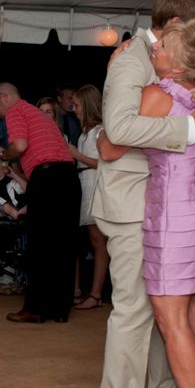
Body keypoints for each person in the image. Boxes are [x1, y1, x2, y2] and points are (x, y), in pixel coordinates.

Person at [90, 0, 195, 388]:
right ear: (175, 23)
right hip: (131, 200)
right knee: (136, 308)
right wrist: (189, 129)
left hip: (165, 202)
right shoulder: (132, 59)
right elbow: (118, 130)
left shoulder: (175, 58)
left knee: (169, 304)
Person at [0, 83, 80, 323]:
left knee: (40, 245)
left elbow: (19, 145)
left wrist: (4, 155)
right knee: (63, 245)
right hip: (69, 178)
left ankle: (35, 308)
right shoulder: (38, 115)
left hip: (48, 177)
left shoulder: (16, 110)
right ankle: (59, 310)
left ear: (4, 97)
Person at [69, 84, 110, 311]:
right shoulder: (85, 132)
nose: (73, 109)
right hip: (85, 183)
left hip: (95, 183)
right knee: (92, 241)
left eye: (76, 105)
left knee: (98, 242)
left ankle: (95, 294)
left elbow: (103, 163)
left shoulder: (99, 131)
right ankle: (89, 291)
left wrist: (75, 154)